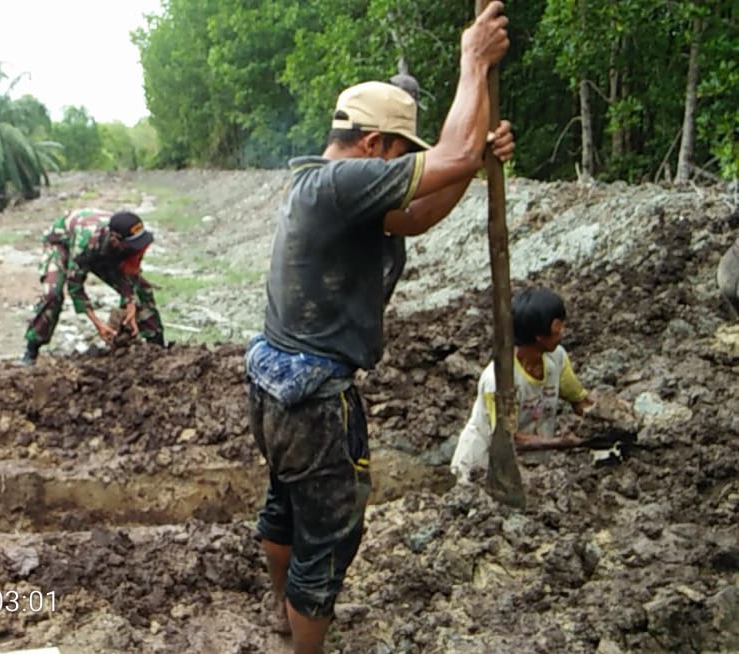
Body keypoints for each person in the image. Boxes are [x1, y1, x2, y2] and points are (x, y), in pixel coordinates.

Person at [244, 4, 516, 652]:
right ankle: (306, 637)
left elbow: (416, 216)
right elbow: (443, 159)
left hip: (276, 387)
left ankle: (284, 616)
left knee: (287, 504)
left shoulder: (325, 190)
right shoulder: (340, 185)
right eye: (399, 158)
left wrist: (472, 164)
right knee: (330, 538)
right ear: (374, 148)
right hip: (313, 400)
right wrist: (472, 61)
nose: (400, 170)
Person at [450, 287, 595, 484]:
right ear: (539, 336)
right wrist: (559, 443)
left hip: (532, 466)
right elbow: (507, 439)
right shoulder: (500, 380)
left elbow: (580, 400)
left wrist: (611, 423)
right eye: (558, 327)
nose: (563, 332)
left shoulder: (556, 357)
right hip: (483, 465)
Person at [21, 208, 164, 364]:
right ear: (116, 239)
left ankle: (156, 346)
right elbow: (75, 286)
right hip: (62, 243)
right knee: (53, 294)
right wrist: (99, 324)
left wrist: (130, 303)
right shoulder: (86, 243)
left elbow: (129, 275)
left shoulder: (129, 241)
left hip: (103, 250)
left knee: (142, 290)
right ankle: (32, 348)